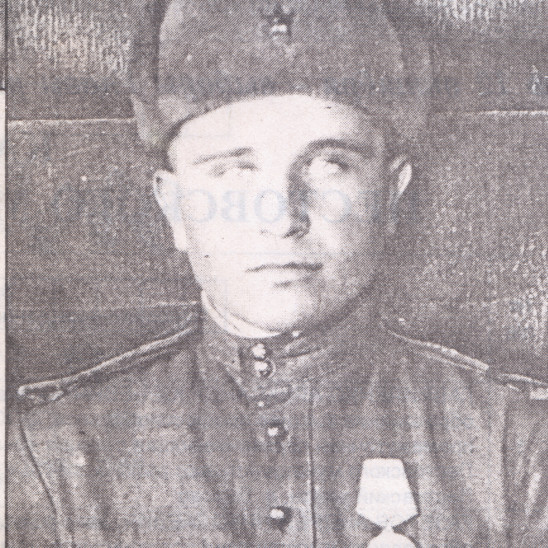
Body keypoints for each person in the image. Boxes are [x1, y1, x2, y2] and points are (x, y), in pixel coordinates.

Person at [8, 0, 548, 546]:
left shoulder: (514, 442)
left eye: (329, 164)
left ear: (391, 195)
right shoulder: (52, 452)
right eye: (234, 171)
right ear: (173, 208)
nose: (282, 218)